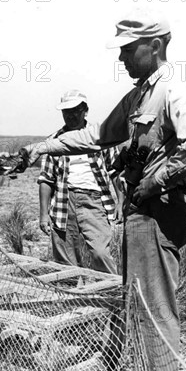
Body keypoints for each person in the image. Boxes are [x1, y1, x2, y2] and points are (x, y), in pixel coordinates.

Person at [3, 9, 186, 371]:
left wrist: (156, 182)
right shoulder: (138, 97)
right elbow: (97, 135)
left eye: (127, 50)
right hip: (137, 217)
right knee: (136, 308)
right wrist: (41, 147)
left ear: (154, 46)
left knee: (155, 312)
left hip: (158, 215)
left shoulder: (173, 91)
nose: (121, 59)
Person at [38, 89, 121, 274]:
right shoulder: (53, 141)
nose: (71, 115)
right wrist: (44, 214)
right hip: (63, 202)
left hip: (94, 201)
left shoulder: (101, 136)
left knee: (100, 253)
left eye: (75, 110)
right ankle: (71, 298)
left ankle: (114, 295)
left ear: (85, 110)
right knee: (65, 258)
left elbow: (115, 170)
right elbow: (46, 179)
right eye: (66, 111)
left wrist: (121, 202)